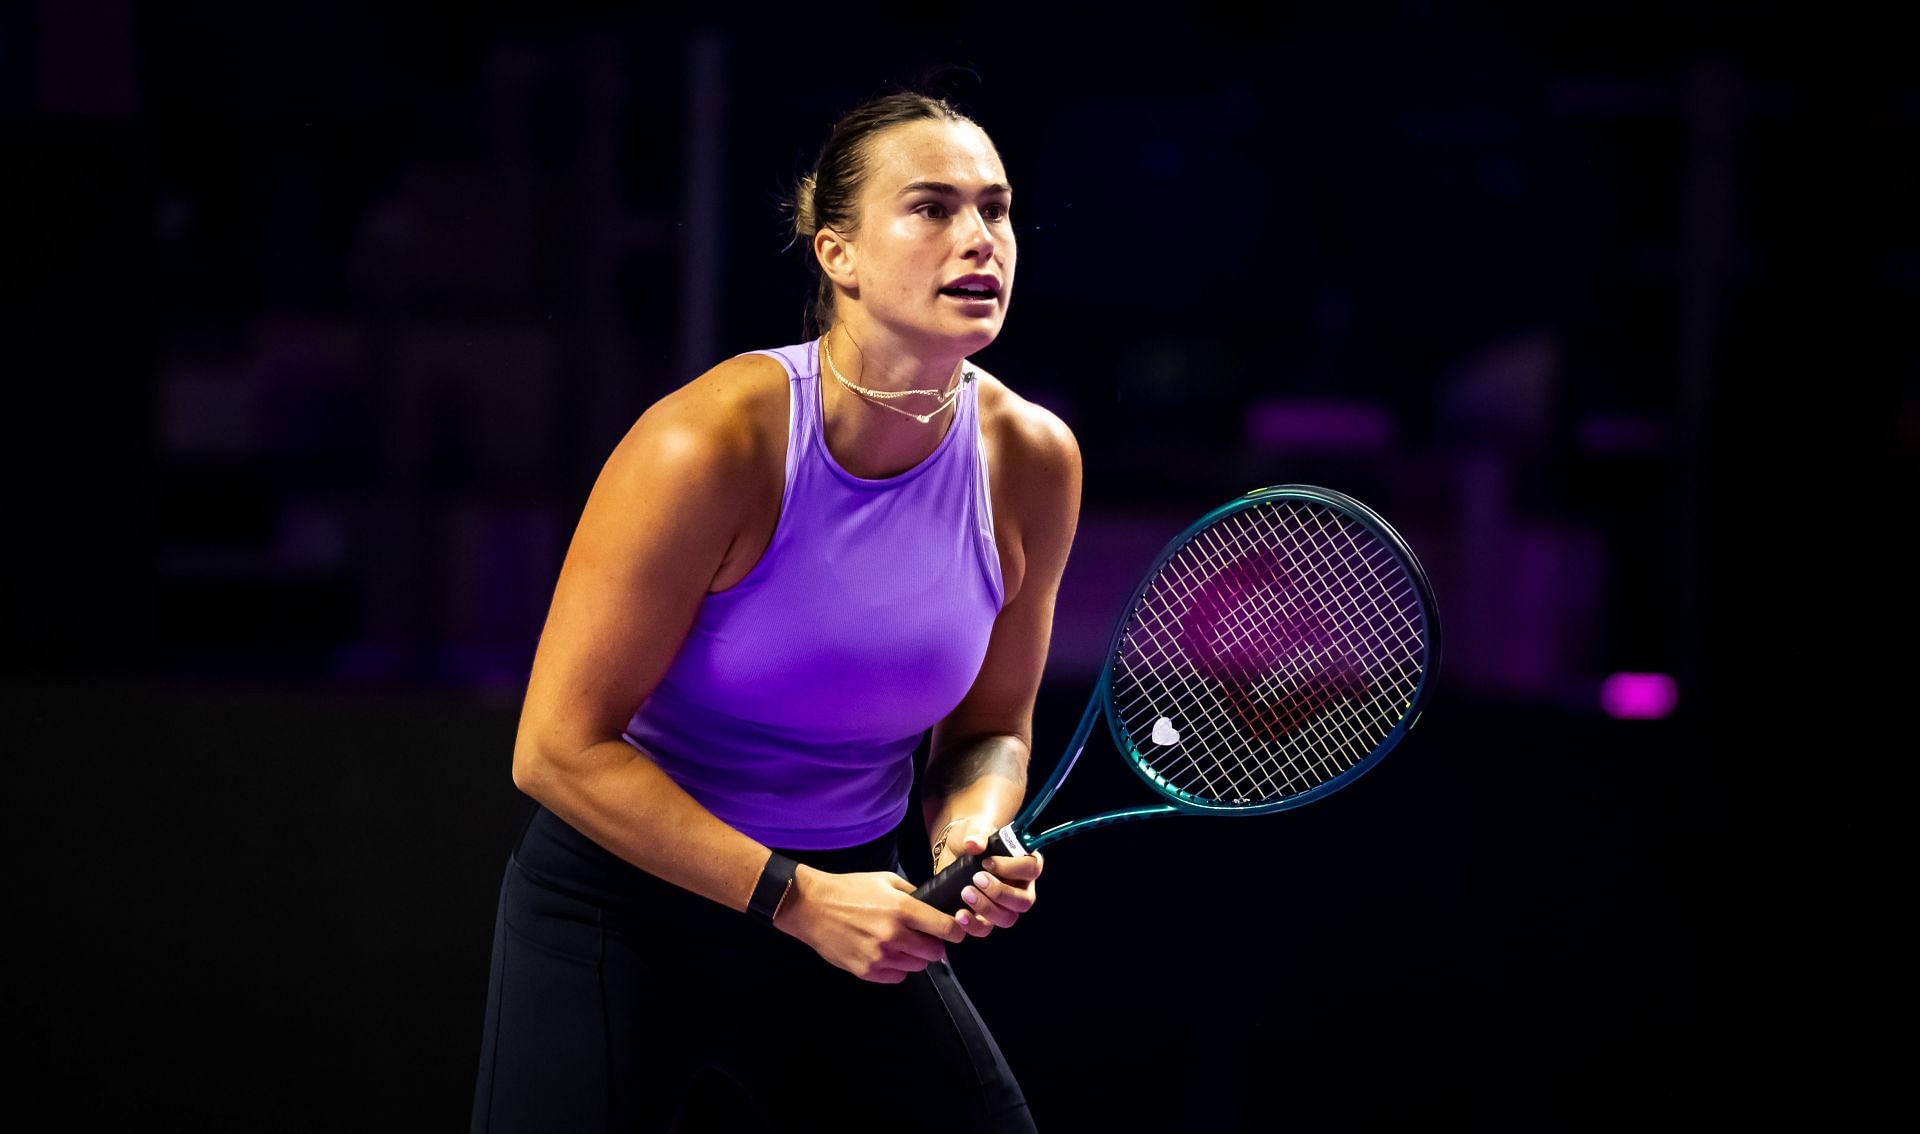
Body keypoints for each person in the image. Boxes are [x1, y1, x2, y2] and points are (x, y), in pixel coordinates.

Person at [470, 88, 1081, 1133]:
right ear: (837, 254)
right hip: (624, 910)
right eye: (932, 208)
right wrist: (793, 899)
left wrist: (969, 836)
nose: (979, 239)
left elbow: (987, 729)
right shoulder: (708, 445)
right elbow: (556, 750)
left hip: (855, 899)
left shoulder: (1031, 459)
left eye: (997, 208)